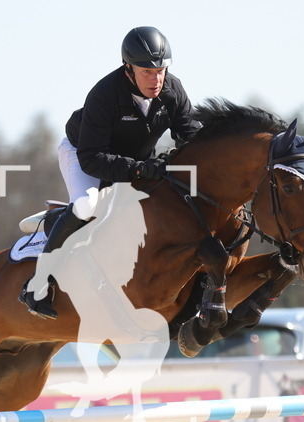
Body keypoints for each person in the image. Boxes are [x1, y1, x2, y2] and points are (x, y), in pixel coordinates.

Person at [21, 26, 202, 320]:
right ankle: (37, 283)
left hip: (134, 160)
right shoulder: (104, 95)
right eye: (146, 72)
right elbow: (93, 159)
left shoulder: (173, 91)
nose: (156, 80)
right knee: (87, 205)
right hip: (83, 153)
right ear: (128, 69)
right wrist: (141, 168)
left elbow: (190, 136)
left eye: (160, 71)